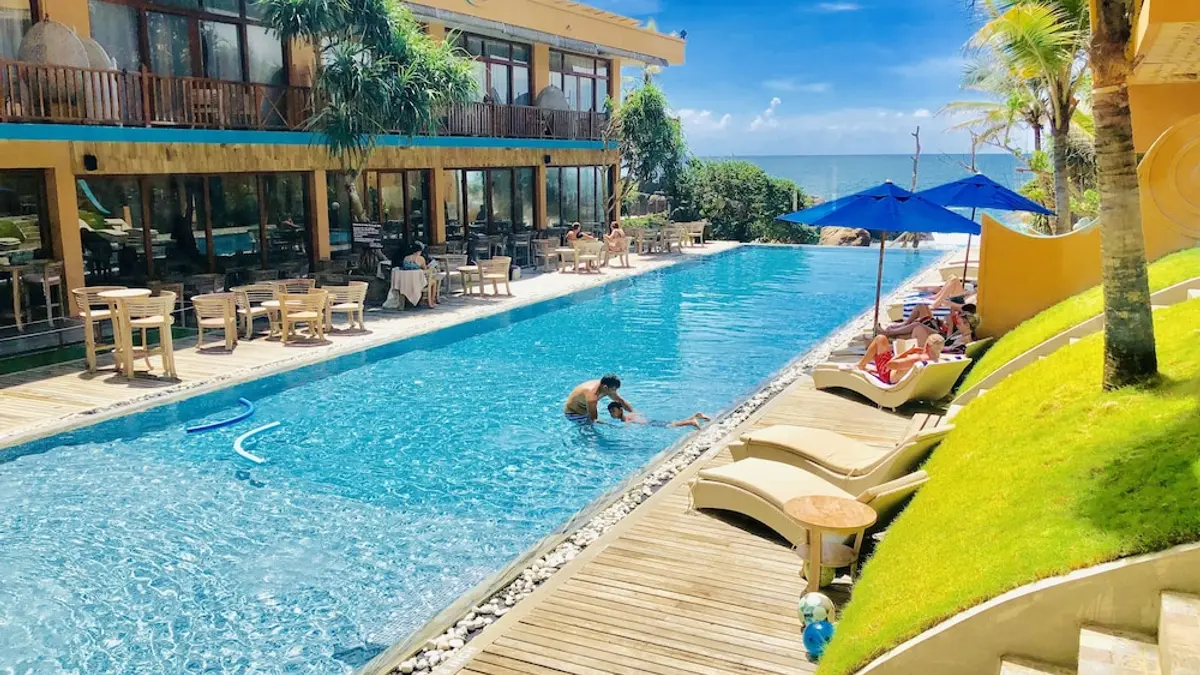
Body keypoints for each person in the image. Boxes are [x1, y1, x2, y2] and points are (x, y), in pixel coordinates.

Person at [855, 334, 945, 385]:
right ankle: (868, 365)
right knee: (883, 348)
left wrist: (907, 352)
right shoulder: (937, 360)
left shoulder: (916, 358)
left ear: (927, 345)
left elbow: (889, 364)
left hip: (887, 375)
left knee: (880, 339)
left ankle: (861, 365)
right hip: (903, 377)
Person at [563, 374, 632, 423]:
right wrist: (612, 426)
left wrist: (633, 413)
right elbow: (594, 420)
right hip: (574, 414)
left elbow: (621, 401)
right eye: (613, 390)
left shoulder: (605, 385)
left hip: (585, 408)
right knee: (591, 430)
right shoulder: (592, 397)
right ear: (605, 387)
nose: (615, 392)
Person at [607, 402, 710, 429]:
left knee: (672, 425)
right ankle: (697, 416)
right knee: (674, 423)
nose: (612, 414)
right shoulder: (629, 415)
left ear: (620, 410)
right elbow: (639, 414)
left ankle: (691, 422)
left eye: (613, 411)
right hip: (650, 421)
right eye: (610, 412)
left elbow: (628, 425)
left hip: (650, 423)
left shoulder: (626, 418)